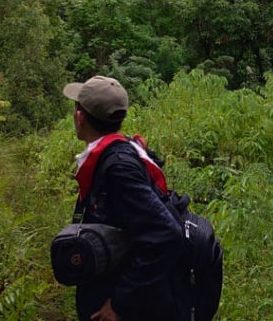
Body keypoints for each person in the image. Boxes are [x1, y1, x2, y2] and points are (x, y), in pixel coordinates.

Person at [63, 75, 186, 321]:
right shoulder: (118, 152)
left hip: (128, 307)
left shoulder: (118, 167)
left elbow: (165, 232)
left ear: (80, 117)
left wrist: (119, 303)